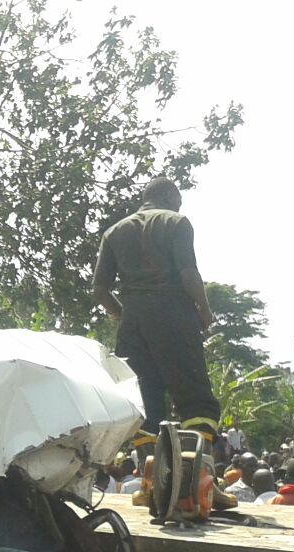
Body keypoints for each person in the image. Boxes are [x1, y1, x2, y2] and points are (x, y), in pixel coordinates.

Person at [93, 176, 220, 458]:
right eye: (178, 201)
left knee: (143, 403)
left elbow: (99, 290)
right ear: (170, 198)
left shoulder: (114, 232)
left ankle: (151, 480)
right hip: (174, 313)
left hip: (133, 322)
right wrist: (204, 310)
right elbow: (188, 273)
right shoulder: (176, 222)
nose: (178, 206)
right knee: (195, 400)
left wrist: (126, 317)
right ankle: (192, 475)